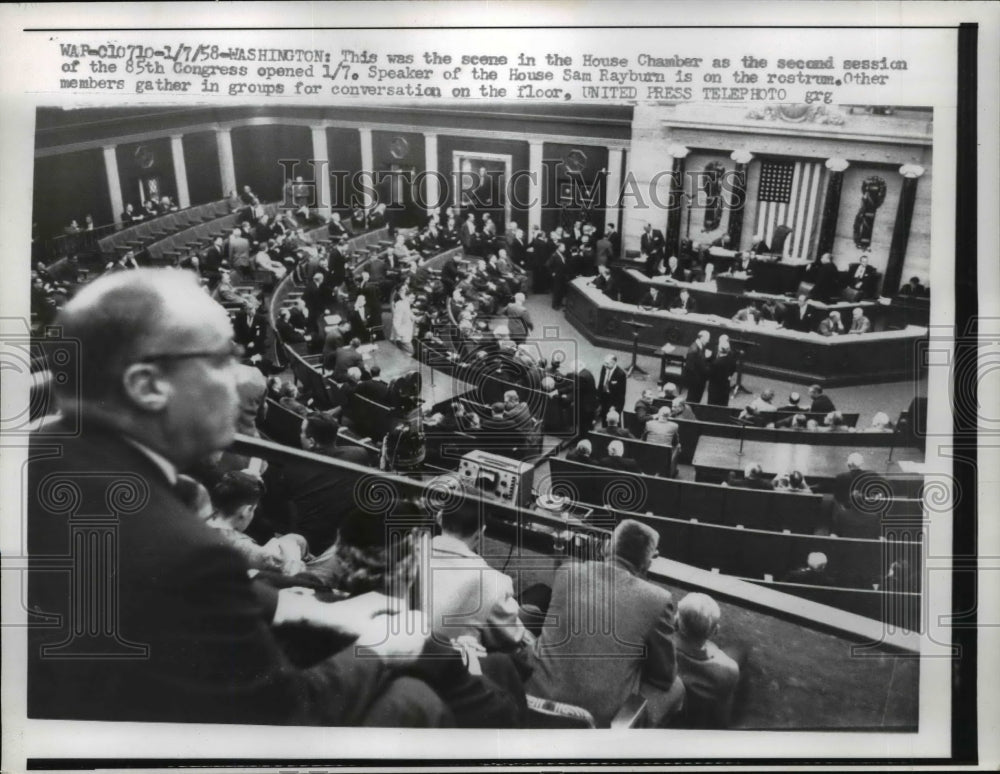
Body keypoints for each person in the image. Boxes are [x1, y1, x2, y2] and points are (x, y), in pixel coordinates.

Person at [27, 269, 448, 726]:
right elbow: (285, 715)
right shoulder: (182, 554)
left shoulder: (42, 450)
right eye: (220, 360)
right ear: (147, 386)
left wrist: (292, 605)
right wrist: (382, 645)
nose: (239, 379)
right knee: (415, 698)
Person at [526, 520, 685, 727]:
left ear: (606, 547)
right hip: (595, 723)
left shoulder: (567, 572)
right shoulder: (658, 599)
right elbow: (664, 677)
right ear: (648, 563)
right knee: (676, 687)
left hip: (534, 700)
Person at [428, 505, 529, 651]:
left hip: (409, 657)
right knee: (536, 602)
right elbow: (514, 638)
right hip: (457, 665)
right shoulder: (496, 583)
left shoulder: (405, 558)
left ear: (439, 517)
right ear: (481, 532)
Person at [206, 471, 308, 575]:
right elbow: (294, 575)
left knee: (295, 538)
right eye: (254, 510)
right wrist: (293, 559)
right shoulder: (251, 551)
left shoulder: (195, 521)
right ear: (246, 511)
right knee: (296, 541)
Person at [674, 593, 742, 728]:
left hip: (675, 714)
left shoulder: (660, 649)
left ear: (676, 621)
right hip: (699, 720)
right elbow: (722, 713)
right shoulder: (729, 669)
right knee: (740, 650)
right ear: (715, 631)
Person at [597, 354, 627, 426]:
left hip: (613, 399)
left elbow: (621, 393)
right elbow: (601, 382)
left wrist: (615, 406)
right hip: (604, 396)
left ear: (613, 363)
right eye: (605, 362)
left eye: (607, 363)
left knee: (611, 421)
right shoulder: (604, 368)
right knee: (604, 417)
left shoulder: (621, 374)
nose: (605, 365)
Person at [683, 330, 712, 404]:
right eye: (707, 338)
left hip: (699, 380)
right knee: (692, 399)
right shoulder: (694, 350)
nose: (708, 341)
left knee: (697, 399)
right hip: (695, 381)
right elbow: (690, 367)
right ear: (701, 337)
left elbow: (700, 360)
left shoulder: (701, 346)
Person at [390, 285, 415, 354]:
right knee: (409, 353)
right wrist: (401, 336)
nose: (405, 291)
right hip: (402, 337)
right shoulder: (400, 305)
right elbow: (396, 322)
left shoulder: (406, 304)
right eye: (402, 290)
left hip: (406, 336)